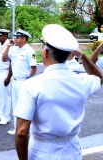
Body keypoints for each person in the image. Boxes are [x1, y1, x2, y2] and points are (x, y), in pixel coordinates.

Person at [14, 24, 103, 160]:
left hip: (43, 150)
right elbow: (99, 78)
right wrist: (83, 57)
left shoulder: (32, 85)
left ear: (45, 53)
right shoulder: (81, 80)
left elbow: (21, 132)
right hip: (72, 148)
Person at [2, 28, 37, 134]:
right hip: (15, 81)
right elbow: (4, 59)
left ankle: (27, 129)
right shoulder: (14, 49)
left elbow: (34, 69)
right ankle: (17, 128)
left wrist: (27, 78)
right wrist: (8, 46)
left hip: (24, 82)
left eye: (18, 37)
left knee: (24, 107)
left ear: (24, 39)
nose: (15, 39)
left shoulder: (29, 51)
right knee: (16, 106)